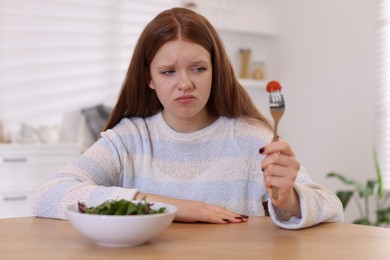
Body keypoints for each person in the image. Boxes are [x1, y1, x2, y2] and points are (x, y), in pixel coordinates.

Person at [31, 7, 343, 229]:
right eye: (168, 72)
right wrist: (167, 206)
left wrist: (289, 199)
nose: (185, 84)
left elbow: (331, 209)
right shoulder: (129, 140)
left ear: (215, 70)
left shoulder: (252, 138)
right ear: (149, 78)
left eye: (198, 68)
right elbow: (48, 194)